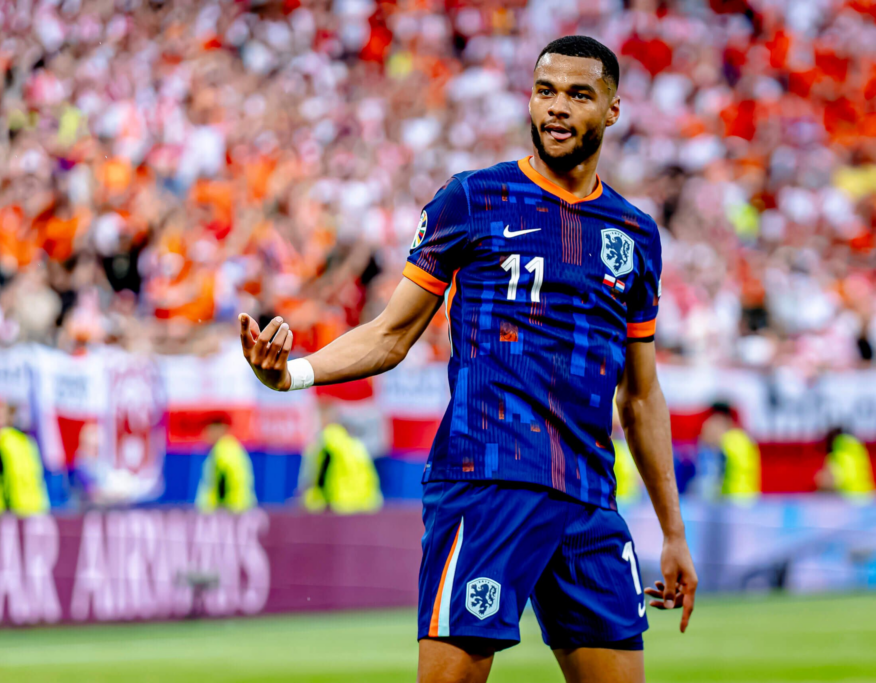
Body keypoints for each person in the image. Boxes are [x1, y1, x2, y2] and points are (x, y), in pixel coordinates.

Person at [238, 36, 696, 683]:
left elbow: (641, 394)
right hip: (487, 482)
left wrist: (673, 533)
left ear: (613, 109)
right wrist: (295, 373)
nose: (557, 108)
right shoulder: (473, 200)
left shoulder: (633, 234)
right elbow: (391, 334)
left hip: (591, 498)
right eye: (545, 91)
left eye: (577, 94)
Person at [300, 402, 384, 514]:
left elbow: (321, 474)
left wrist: (316, 499)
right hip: (363, 504)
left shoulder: (328, 440)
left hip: (337, 504)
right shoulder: (355, 443)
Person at [0, 402, 50, 517]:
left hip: (12, 507)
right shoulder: (29, 442)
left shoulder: (3, 440)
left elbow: (0, 476)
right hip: (35, 505)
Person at [195, 414, 257, 514]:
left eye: (208, 430)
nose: (205, 434)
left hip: (231, 511)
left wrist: (221, 508)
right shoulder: (232, 447)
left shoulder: (223, 449)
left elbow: (223, 480)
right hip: (239, 509)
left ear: (218, 430)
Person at [700, 402, 760, 503]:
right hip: (747, 500)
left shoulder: (731, 440)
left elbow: (709, 439)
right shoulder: (744, 438)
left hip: (735, 501)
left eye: (715, 422)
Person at [816, 427, 875, 501]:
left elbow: (831, 481)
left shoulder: (835, 456)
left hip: (848, 498)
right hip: (867, 495)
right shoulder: (858, 448)